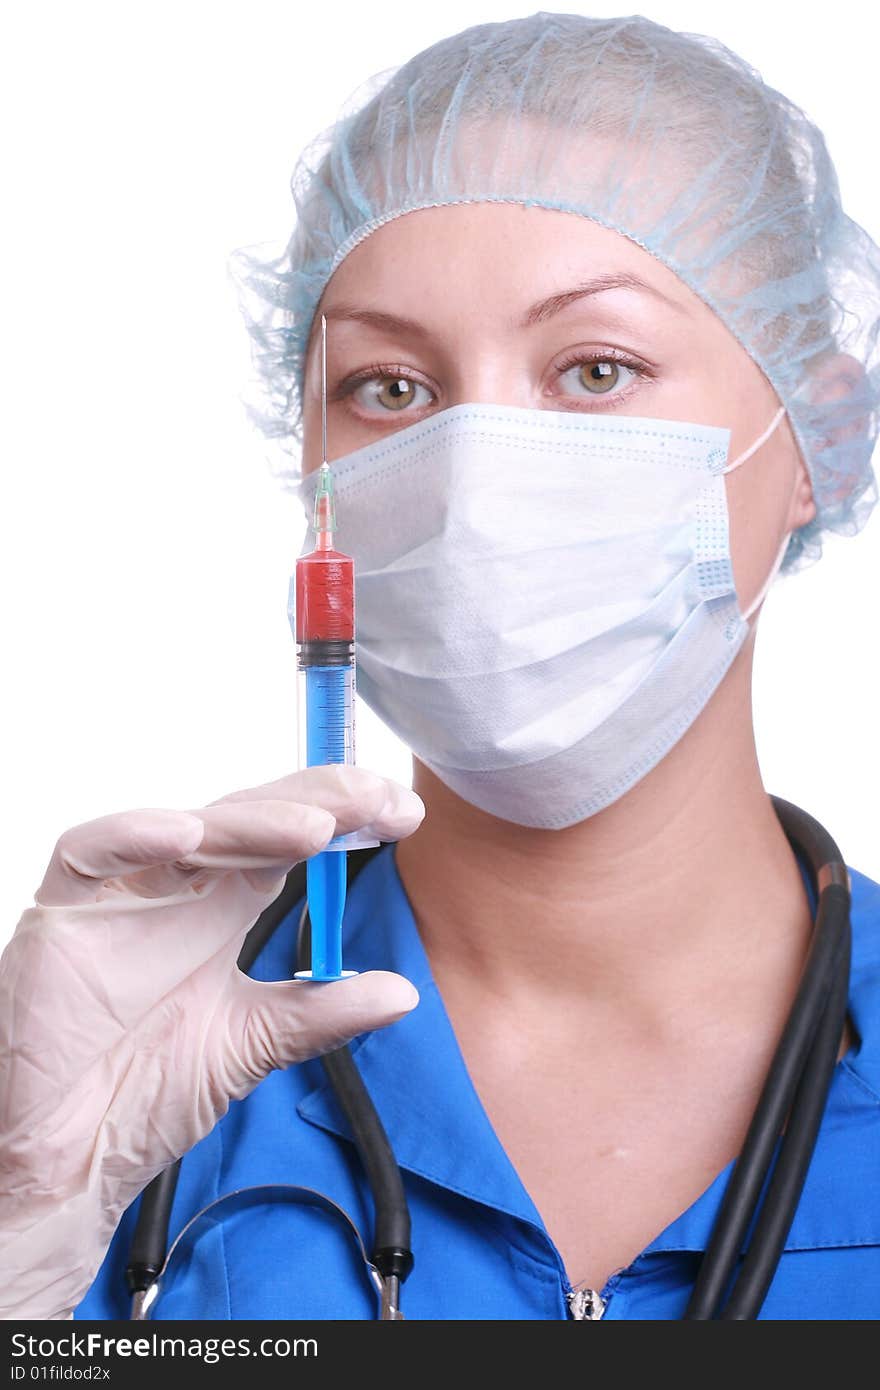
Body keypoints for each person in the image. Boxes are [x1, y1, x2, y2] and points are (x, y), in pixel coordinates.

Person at [2, 12, 879, 1322]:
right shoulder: (145, 1081)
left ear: (822, 440)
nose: (473, 482)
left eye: (595, 367)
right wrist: (17, 1232)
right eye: (392, 388)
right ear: (316, 472)